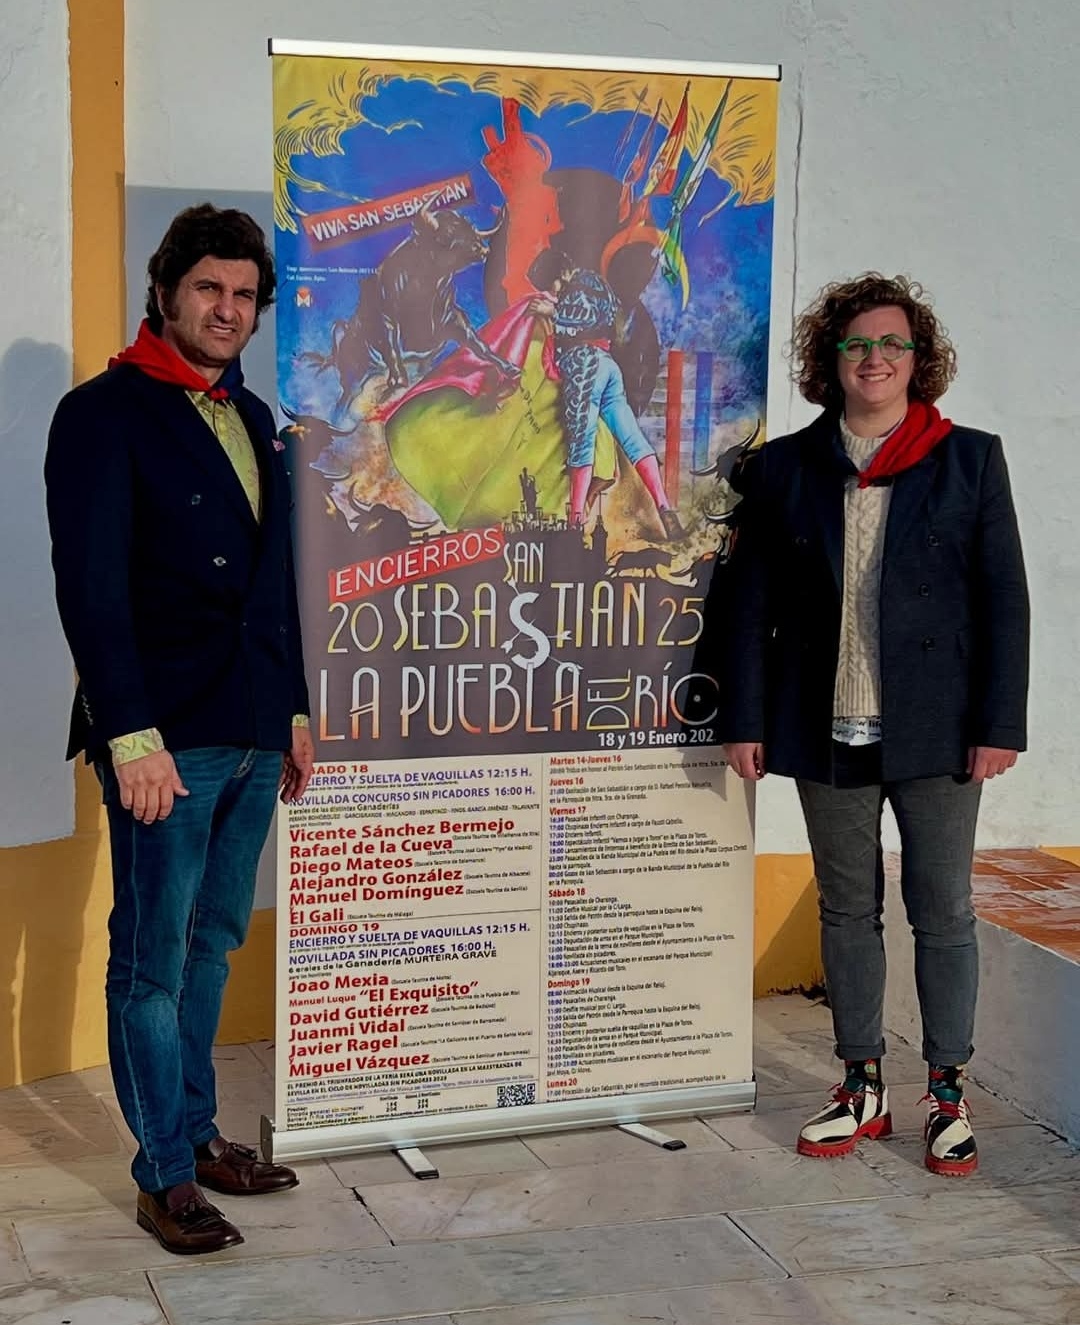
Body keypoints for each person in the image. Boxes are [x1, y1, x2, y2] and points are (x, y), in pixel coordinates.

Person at [45, 204, 314, 1254]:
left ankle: (198, 1135)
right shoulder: (102, 413)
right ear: (164, 291)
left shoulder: (254, 415)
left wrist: (292, 706)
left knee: (213, 942)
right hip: (163, 736)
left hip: (250, 723)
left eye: (244, 295)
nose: (227, 309)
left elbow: (276, 578)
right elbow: (92, 588)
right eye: (209, 287)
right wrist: (130, 736)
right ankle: (163, 1172)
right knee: (151, 960)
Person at [720, 272, 1029, 1176]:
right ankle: (862, 1083)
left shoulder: (971, 460)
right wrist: (746, 715)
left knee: (943, 911)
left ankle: (947, 1092)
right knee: (848, 909)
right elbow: (748, 603)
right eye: (857, 343)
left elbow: (1004, 599)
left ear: (918, 359)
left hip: (940, 731)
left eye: (893, 343)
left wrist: (1000, 722)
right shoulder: (785, 468)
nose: (875, 358)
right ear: (834, 359)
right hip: (825, 727)